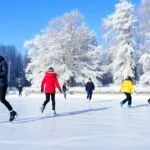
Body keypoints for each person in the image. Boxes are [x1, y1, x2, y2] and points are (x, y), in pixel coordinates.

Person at [0, 56, 17, 121]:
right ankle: (12, 112)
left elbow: (4, 73)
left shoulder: (3, 63)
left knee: (2, 99)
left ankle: (12, 112)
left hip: (2, 84)